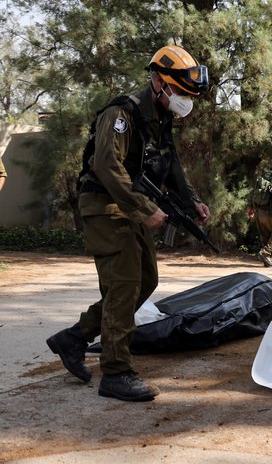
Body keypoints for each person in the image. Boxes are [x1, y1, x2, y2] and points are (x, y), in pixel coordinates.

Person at [46, 45, 211, 402]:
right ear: (157, 82)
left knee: (146, 281)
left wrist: (192, 200)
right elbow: (107, 166)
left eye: (188, 94)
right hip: (106, 207)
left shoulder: (160, 121)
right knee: (124, 285)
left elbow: (171, 169)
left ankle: (74, 337)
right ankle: (116, 372)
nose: (184, 100)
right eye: (179, 92)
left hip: (129, 207)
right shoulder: (123, 113)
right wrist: (142, 208)